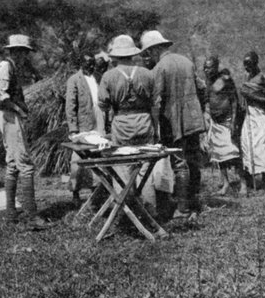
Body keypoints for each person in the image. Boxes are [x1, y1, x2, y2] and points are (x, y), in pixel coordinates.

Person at [140, 30, 206, 220]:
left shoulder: (160, 68)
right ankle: (193, 201)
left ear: (154, 50)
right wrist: (198, 109)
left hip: (174, 123)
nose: (147, 56)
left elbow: (156, 100)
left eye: (148, 52)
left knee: (179, 162)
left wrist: (154, 124)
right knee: (193, 160)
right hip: (193, 120)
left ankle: (183, 208)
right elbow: (201, 88)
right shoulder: (186, 61)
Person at [0, 34, 48, 229]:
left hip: (10, 116)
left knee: (13, 164)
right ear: (15, 51)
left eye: (26, 53)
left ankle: (11, 213)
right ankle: (31, 216)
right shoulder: (6, 66)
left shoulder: (12, 67)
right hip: (9, 116)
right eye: (23, 52)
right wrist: (19, 109)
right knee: (25, 164)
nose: (25, 56)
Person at [98, 34, 158, 216]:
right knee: (145, 167)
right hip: (144, 123)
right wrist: (156, 129)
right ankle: (149, 210)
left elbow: (102, 105)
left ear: (115, 56)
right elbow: (155, 103)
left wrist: (102, 131)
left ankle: (125, 212)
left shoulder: (108, 76)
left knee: (122, 167)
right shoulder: (147, 74)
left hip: (122, 125)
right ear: (133, 54)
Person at [65, 52, 106, 207]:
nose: (90, 65)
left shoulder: (98, 77)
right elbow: (70, 106)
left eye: (92, 62)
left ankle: (96, 193)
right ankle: (75, 192)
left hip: (98, 120)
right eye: (87, 62)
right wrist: (73, 129)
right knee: (78, 159)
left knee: (98, 155)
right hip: (83, 123)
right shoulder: (74, 80)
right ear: (81, 63)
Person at [203, 56, 247, 195]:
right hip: (215, 122)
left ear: (216, 67)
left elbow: (234, 102)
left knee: (234, 153)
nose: (206, 70)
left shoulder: (225, 80)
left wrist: (234, 122)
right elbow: (207, 101)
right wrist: (208, 117)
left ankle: (243, 185)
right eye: (205, 67)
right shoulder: (208, 82)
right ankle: (226, 184)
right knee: (219, 154)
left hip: (227, 121)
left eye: (209, 67)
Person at [240, 51, 265, 190]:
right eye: (245, 65)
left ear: (256, 63)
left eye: (249, 64)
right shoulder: (248, 77)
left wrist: (251, 96)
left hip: (260, 118)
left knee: (262, 148)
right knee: (246, 146)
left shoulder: (263, 79)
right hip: (249, 117)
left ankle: (264, 182)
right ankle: (250, 179)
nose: (247, 68)